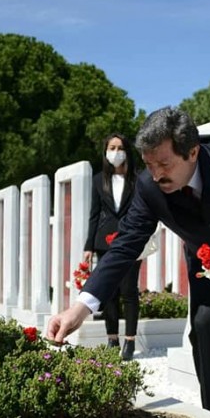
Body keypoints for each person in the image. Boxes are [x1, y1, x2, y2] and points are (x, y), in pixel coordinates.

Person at [47, 106, 210, 418]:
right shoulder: (150, 187)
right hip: (208, 259)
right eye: (149, 165)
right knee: (205, 326)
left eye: (164, 164)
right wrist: (80, 307)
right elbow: (124, 245)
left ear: (192, 152)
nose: (155, 175)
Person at [83, 133, 142, 361]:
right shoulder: (99, 180)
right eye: (112, 147)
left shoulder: (137, 179)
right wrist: (89, 245)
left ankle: (129, 340)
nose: (116, 152)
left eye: (120, 147)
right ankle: (112, 338)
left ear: (127, 151)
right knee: (108, 293)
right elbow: (94, 214)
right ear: (106, 152)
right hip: (103, 241)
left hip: (130, 239)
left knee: (129, 291)